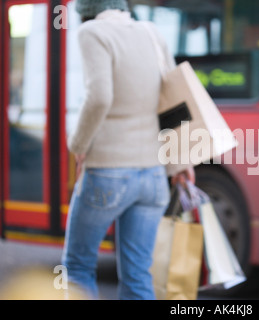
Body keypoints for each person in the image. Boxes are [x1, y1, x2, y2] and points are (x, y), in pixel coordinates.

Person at [62, 0, 195, 300]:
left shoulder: (92, 33)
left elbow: (99, 97)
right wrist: (180, 163)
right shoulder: (151, 32)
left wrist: (78, 144)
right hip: (152, 177)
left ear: (87, 10)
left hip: (108, 172)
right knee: (137, 273)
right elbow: (175, 99)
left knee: (77, 266)